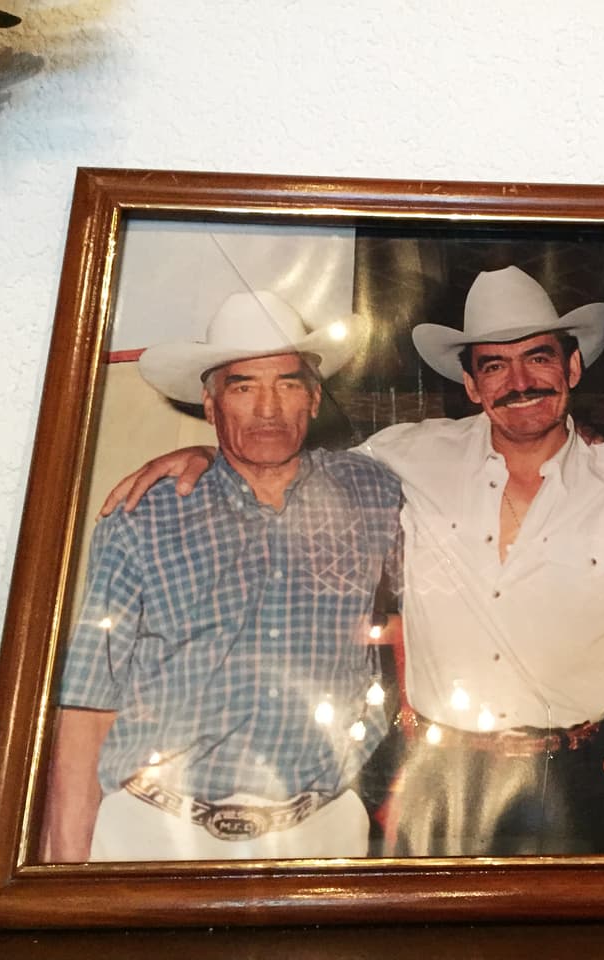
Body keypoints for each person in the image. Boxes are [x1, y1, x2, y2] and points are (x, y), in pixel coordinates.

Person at [101, 266, 604, 856]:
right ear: (471, 385)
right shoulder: (401, 458)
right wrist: (200, 454)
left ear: (571, 369)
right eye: (495, 367)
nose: (520, 382)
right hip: (437, 774)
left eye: (538, 358)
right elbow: (281, 461)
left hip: (587, 774)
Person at [40, 290, 403, 863]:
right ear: (210, 406)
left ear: (314, 398)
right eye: (243, 387)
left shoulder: (373, 490)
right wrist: (65, 864)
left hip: (322, 829)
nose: (268, 409)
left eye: (287, 384)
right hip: (153, 833)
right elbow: (87, 702)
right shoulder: (144, 515)